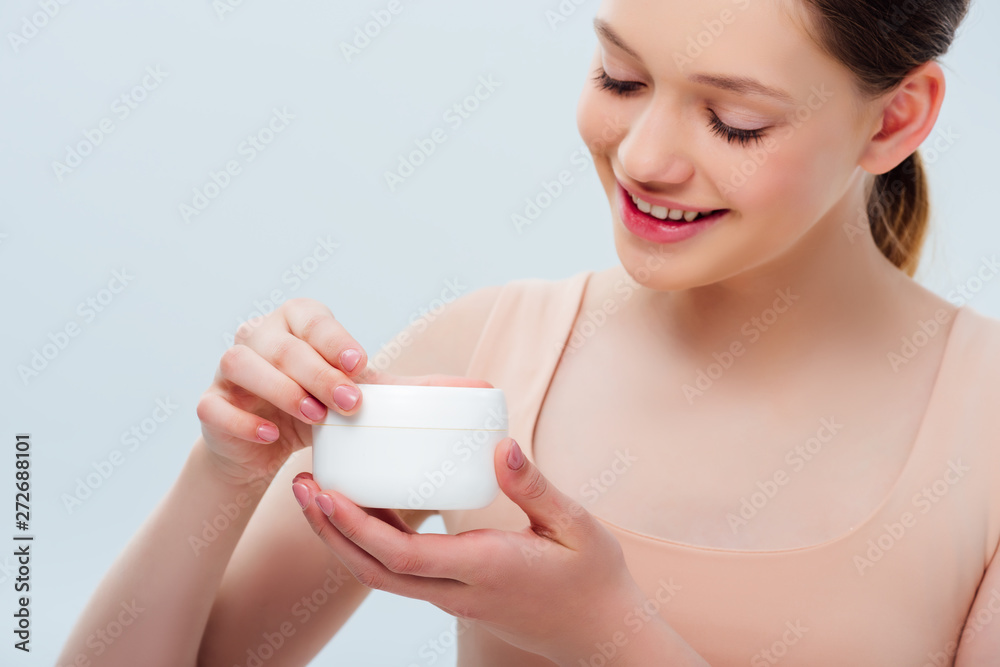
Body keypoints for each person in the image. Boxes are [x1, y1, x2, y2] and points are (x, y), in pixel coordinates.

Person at [58, 0, 1000, 664]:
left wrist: (603, 634)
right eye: (619, 77)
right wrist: (224, 471)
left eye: (734, 121)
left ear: (897, 118)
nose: (641, 157)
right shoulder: (490, 356)